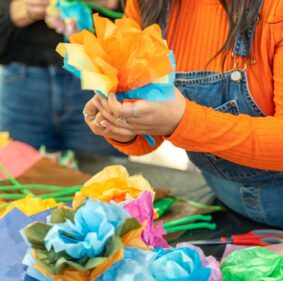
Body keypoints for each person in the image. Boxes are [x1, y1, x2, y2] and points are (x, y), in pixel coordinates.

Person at [83, 0, 283, 228]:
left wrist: (182, 122)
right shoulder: (147, 5)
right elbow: (147, 140)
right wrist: (122, 124)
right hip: (228, 206)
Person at [0, 0, 122, 156]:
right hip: (21, 83)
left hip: (101, 79)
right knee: (18, 173)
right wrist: (23, 8)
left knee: (104, 174)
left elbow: (151, 12)